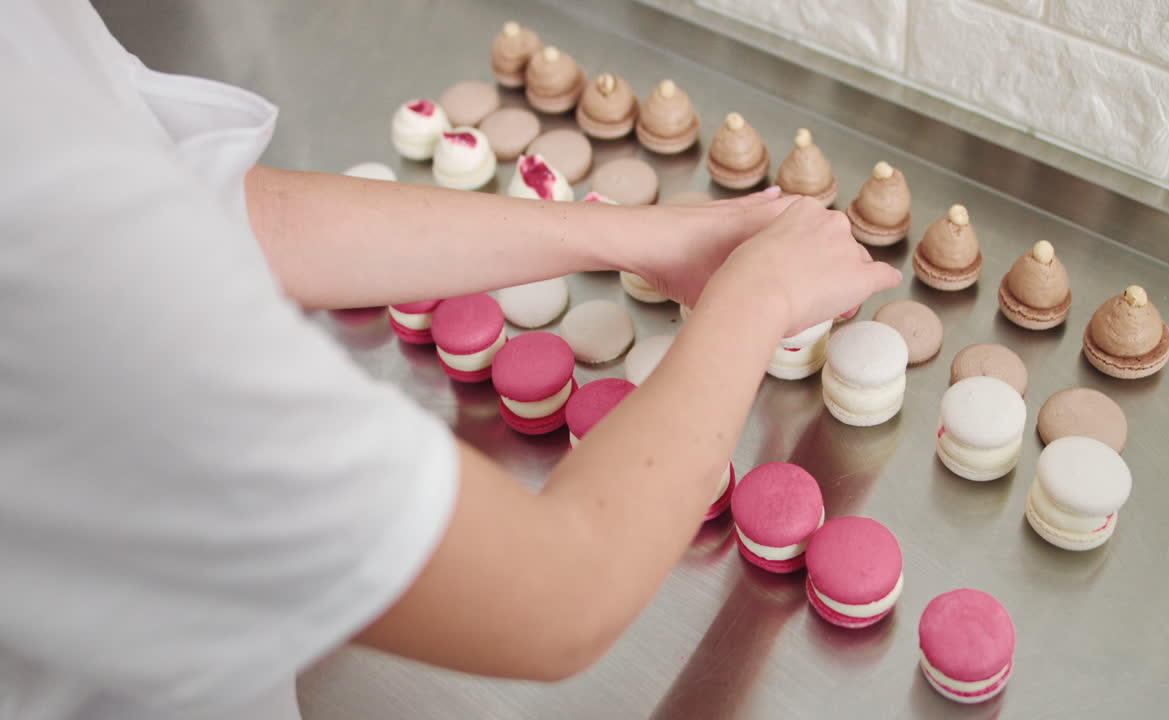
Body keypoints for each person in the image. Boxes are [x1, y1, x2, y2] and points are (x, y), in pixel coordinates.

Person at [0, 2, 901, 719]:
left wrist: (638, 235)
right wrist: (756, 301)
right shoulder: (50, 274)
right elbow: (556, 595)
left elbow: (211, 207)